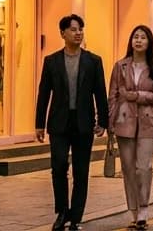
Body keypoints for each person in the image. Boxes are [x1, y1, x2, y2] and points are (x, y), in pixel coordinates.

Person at [35, 15, 110, 231]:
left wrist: (102, 121)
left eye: (81, 29)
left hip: (84, 123)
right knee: (58, 167)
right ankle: (61, 212)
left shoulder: (93, 61)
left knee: (81, 171)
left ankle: (76, 217)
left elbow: (100, 92)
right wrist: (39, 123)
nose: (78, 33)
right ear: (63, 34)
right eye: (73, 29)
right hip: (59, 123)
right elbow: (43, 93)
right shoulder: (52, 61)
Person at [108, 26, 153, 231]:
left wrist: (138, 95)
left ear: (149, 42)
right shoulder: (120, 66)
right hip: (124, 121)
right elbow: (113, 95)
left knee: (144, 166)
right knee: (127, 168)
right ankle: (133, 210)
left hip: (148, 122)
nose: (139, 40)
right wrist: (110, 123)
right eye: (135, 37)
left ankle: (144, 207)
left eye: (143, 37)